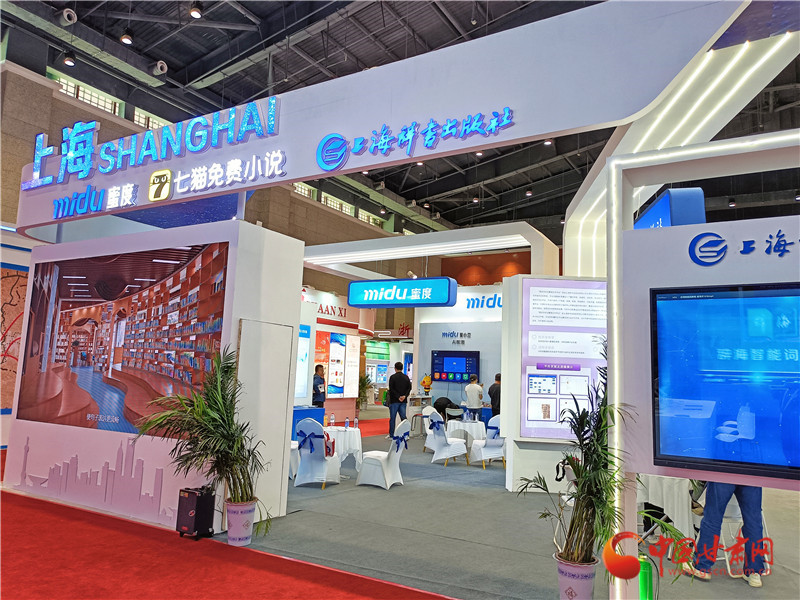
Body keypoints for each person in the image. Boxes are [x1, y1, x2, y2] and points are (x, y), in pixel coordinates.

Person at [683, 482, 766, 588]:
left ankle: (702, 566)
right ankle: (754, 572)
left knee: (713, 517)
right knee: (753, 522)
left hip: (724, 474)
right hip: (752, 475)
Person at [387, 361, 411, 438]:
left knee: (393, 418)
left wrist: (398, 397)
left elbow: (391, 389)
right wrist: (404, 396)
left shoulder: (392, 377)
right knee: (403, 418)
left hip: (394, 400)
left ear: (395, 368)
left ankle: (391, 435)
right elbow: (409, 388)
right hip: (403, 401)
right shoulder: (406, 377)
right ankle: (406, 434)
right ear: (402, 368)